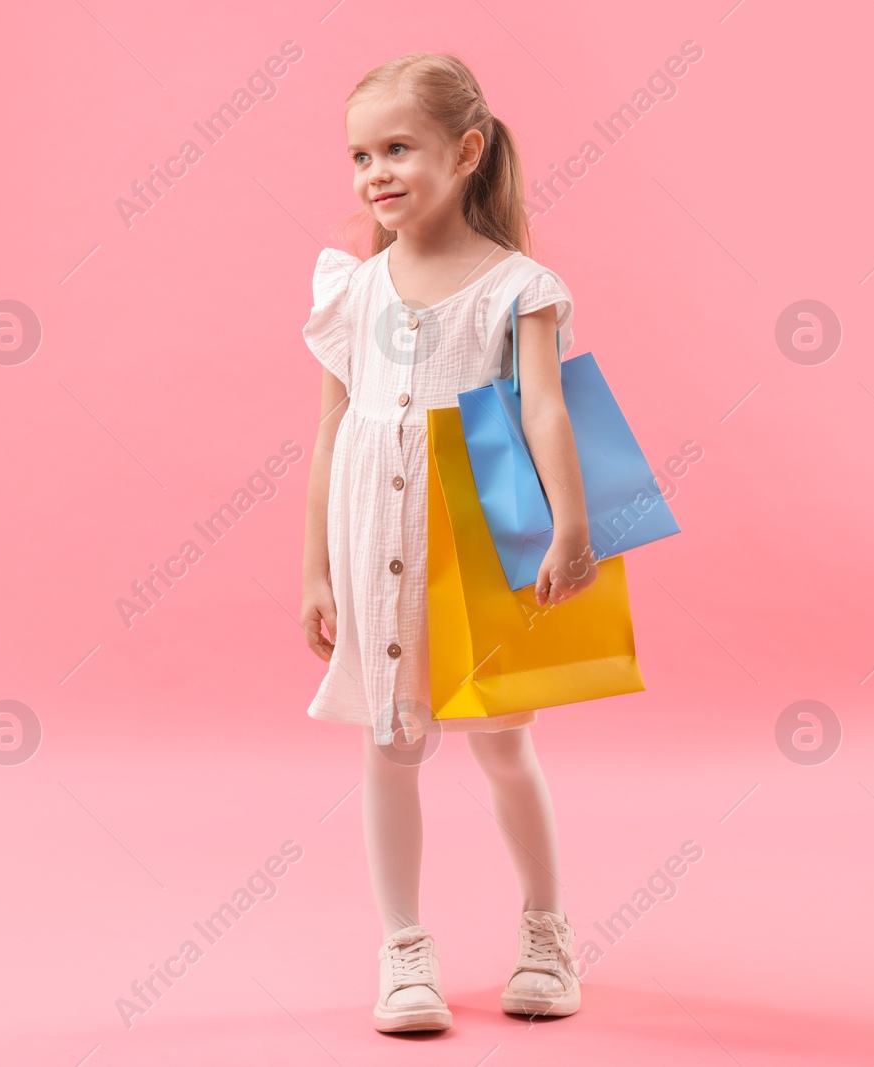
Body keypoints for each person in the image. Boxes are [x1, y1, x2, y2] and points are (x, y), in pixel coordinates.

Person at [298, 52, 597, 1033]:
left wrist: (571, 525)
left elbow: (546, 412)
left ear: (465, 151)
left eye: (397, 148)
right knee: (392, 737)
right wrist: (315, 566)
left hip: (479, 524)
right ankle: (403, 947)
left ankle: (546, 929)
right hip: (372, 529)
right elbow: (332, 428)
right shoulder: (354, 288)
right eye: (358, 155)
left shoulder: (518, 286)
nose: (374, 172)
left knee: (504, 739)